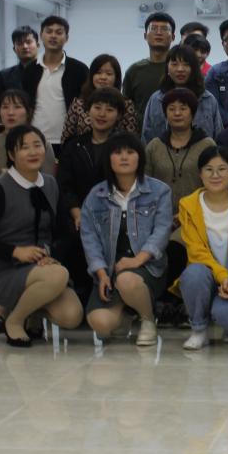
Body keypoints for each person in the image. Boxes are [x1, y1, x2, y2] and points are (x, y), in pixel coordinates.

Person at [0, 124, 82, 347]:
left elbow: (64, 232)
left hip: (42, 267)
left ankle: (32, 312)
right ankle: (15, 320)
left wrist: (51, 255)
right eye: (24, 147)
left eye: (37, 145)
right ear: (12, 155)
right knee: (58, 275)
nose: (32, 152)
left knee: (72, 316)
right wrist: (15, 251)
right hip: (4, 269)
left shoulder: (50, 184)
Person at [80, 131, 173, 346]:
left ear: (140, 157)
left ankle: (147, 319)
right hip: (110, 269)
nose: (124, 157)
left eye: (130, 152)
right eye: (117, 152)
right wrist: (101, 272)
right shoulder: (95, 195)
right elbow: (89, 239)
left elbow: (162, 231)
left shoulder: (159, 191)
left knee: (127, 280)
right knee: (101, 323)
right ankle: (127, 314)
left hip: (148, 268)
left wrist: (137, 260)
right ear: (108, 159)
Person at [176, 145, 228, 349]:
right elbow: (196, 252)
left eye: (222, 169)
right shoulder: (188, 205)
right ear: (200, 174)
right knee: (193, 274)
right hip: (206, 276)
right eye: (209, 169)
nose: (215, 175)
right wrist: (222, 276)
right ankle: (199, 329)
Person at [56, 88, 127, 303]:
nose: (102, 114)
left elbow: (127, 184)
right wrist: (77, 212)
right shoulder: (73, 145)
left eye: (109, 109)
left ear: (119, 115)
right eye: (97, 107)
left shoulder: (125, 146)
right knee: (72, 238)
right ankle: (79, 291)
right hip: (77, 214)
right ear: (88, 111)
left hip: (114, 214)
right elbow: (64, 185)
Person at [143, 88, 216, 294]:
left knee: (175, 247)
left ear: (192, 113)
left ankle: (174, 300)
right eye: (171, 108)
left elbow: (213, 186)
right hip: (158, 217)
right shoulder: (154, 146)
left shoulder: (207, 144)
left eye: (183, 108)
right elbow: (145, 185)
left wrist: (184, 214)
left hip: (196, 217)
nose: (177, 113)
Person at [0, 89, 57, 204]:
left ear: (29, 112)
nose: (10, 112)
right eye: (5, 107)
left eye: (17, 107)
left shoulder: (42, 145)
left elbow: (48, 188)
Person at [139, 44, 224, 142]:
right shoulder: (156, 99)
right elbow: (146, 138)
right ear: (167, 68)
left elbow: (218, 137)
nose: (180, 69)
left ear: (194, 68)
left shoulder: (207, 99)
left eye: (186, 64)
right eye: (174, 64)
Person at [33, 15, 89, 149]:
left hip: (70, 141)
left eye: (59, 32)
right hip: (35, 140)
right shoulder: (30, 70)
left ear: (66, 38)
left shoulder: (80, 69)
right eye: (49, 31)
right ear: (41, 35)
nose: (53, 36)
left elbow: (86, 103)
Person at [61, 54, 136, 143]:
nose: (103, 77)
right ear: (91, 76)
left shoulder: (126, 104)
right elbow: (66, 138)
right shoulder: (78, 103)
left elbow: (132, 139)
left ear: (116, 78)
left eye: (108, 74)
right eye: (98, 72)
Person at [122, 12, 176, 120]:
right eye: (154, 28)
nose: (159, 33)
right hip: (140, 130)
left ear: (173, 37)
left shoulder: (179, 70)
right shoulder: (134, 71)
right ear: (145, 36)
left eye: (164, 29)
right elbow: (126, 108)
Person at [0, 25, 41, 124]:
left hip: (44, 129)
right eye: (20, 43)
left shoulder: (48, 73)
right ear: (14, 48)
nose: (25, 46)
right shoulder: (3, 76)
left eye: (28, 42)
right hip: (13, 129)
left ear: (38, 45)